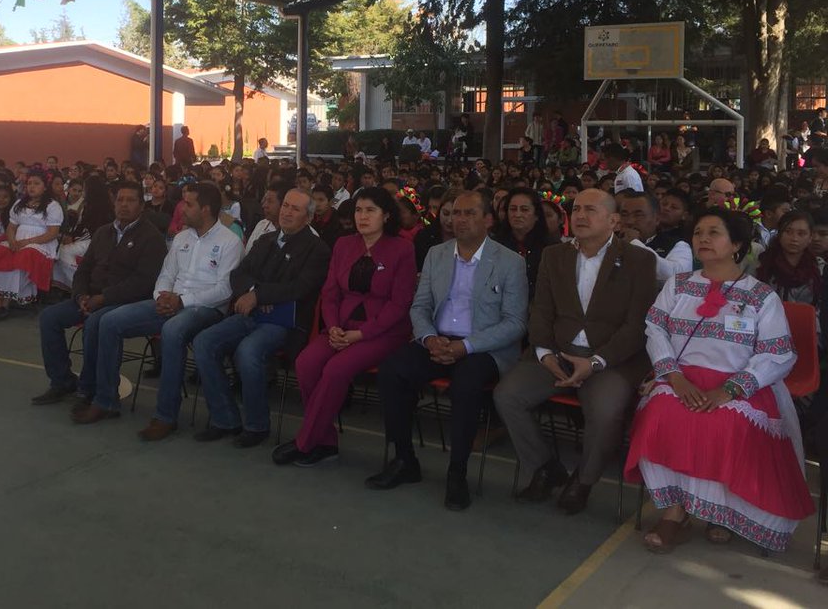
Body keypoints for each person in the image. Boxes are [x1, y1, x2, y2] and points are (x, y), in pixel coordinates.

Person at [625, 207, 814, 553]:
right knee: (661, 415)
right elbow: (655, 328)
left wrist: (730, 390)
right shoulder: (678, 285)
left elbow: (778, 353)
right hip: (679, 377)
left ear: (737, 245)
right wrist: (675, 378)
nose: (703, 239)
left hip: (742, 384)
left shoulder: (760, 296)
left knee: (726, 423)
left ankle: (720, 513)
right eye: (698, 232)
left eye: (714, 233)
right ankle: (675, 512)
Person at [494, 189, 658, 514]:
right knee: (507, 395)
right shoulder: (555, 255)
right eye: (577, 208)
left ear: (613, 220)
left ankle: (583, 480)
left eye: (591, 210)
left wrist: (595, 362)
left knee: (606, 410)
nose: (580, 215)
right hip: (558, 352)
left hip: (611, 359)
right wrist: (544, 354)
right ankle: (544, 466)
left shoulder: (639, 260)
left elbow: (636, 326)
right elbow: (540, 311)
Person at [368, 191, 528, 509]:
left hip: (483, 347)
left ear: (488, 220)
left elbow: (514, 324)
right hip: (438, 340)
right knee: (392, 371)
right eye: (455, 213)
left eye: (469, 213)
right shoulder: (436, 254)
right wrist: (428, 338)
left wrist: (465, 347)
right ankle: (404, 459)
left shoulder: (510, 262)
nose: (460, 220)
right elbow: (420, 306)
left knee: (466, 386)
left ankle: (457, 472)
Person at [74, 182, 243, 435]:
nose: (182, 209)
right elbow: (166, 274)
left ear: (206, 209)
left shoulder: (230, 242)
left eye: (189, 204)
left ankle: (166, 415)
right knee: (109, 321)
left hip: (206, 308)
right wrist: (161, 296)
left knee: (173, 331)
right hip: (169, 302)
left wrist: (182, 301)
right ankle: (105, 400)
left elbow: (225, 290)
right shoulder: (182, 237)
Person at [273, 187, 417, 468]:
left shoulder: (402, 249)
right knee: (306, 363)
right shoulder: (343, 245)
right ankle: (325, 441)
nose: (362, 216)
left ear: (386, 216)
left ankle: (306, 441)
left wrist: (361, 334)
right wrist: (336, 326)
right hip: (342, 326)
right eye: (359, 210)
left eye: (370, 210)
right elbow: (330, 294)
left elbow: (400, 305)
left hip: (383, 332)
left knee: (336, 370)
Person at [192, 188, 331, 447]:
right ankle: (225, 418)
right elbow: (238, 274)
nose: (287, 212)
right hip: (251, 311)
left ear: (308, 218)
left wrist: (261, 296)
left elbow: (300, 287)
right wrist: (254, 293)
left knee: (247, 352)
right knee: (204, 342)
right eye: (286, 205)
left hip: (285, 321)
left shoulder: (317, 249)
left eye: (295, 209)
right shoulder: (265, 239)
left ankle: (256, 425)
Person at [33, 181, 167, 406]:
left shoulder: (151, 237)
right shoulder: (103, 232)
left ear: (141, 206)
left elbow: (143, 282)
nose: (124, 205)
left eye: (131, 200)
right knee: (49, 317)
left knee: (96, 321)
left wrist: (104, 298)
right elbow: (83, 270)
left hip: (123, 302)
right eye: (120, 200)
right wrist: (80, 296)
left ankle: (89, 388)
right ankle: (62, 380)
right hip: (90, 298)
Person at [0, 171, 63, 312]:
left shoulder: (52, 206)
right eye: (29, 183)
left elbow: (52, 234)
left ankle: (5, 301)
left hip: (41, 244)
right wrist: (12, 241)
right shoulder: (19, 203)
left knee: (22, 257)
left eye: (36, 183)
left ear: (45, 187)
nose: (31, 187)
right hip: (17, 241)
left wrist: (27, 241)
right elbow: (11, 227)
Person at [620, 191, 693, 286]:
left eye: (638, 215)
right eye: (624, 215)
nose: (629, 221)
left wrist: (635, 244)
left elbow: (679, 277)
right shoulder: (609, 242)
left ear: (657, 219)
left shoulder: (677, 245)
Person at [54, 176, 113, 290]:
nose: (82, 192)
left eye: (84, 189)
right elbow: (82, 227)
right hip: (89, 239)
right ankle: (61, 286)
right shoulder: (90, 205)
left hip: (97, 242)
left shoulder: (98, 208)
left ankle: (79, 285)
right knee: (57, 250)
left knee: (63, 251)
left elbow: (92, 232)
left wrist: (74, 238)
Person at [495, 187, 555, 297]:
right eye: (513, 209)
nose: (517, 215)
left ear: (536, 215)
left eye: (524, 210)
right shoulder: (495, 245)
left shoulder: (551, 248)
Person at [756, 211, 821, 306]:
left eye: (801, 234)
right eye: (788, 232)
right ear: (779, 234)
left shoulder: (818, 268)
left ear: (810, 237)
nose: (794, 238)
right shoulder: (763, 263)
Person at [244, 184, 281, 255]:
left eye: (270, 201)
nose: (264, 205)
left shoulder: (293, 232)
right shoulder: (262, 225)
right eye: (265, 200)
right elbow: (248, 254)